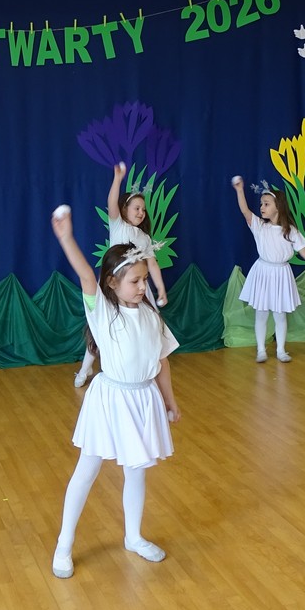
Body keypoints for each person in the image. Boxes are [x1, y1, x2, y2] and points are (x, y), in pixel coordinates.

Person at [50, 205, 180, 580]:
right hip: (110, 400)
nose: (142, 287)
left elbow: (162, 361)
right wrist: (66, 238)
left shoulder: (151, 315)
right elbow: (85, 275)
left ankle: (134, 536)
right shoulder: (103, 312)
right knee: (87, 470)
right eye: (135, 281)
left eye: (144, 280)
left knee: (136, 471)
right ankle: (64, 544)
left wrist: (170, 400)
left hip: (143, 398)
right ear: (112, 283)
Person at [74, 162, 168, 387]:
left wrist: (161, 288)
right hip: (115, 287)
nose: (141, 212)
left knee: (145, 329)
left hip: (135, 289)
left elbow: (152, 264)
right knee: (101, 328)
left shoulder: (144, 238)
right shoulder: (118, 226)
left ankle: (143, 368)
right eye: (136, 208)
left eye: (143, 209)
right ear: (124, 210)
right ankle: (85, 368)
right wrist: (117, 178)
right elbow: (111, 203)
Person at [231, 176, 305, 363]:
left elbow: (304, 250)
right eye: (261, 204)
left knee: (280, 314)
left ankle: (281, 350)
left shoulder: (290, 230)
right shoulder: (259, 226)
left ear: (278, 207)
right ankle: (261, 350)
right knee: (261, 313)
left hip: (281, 274)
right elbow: (245, 211)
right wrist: (240, 190)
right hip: (263, 272)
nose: (262, 207)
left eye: (266, 204)